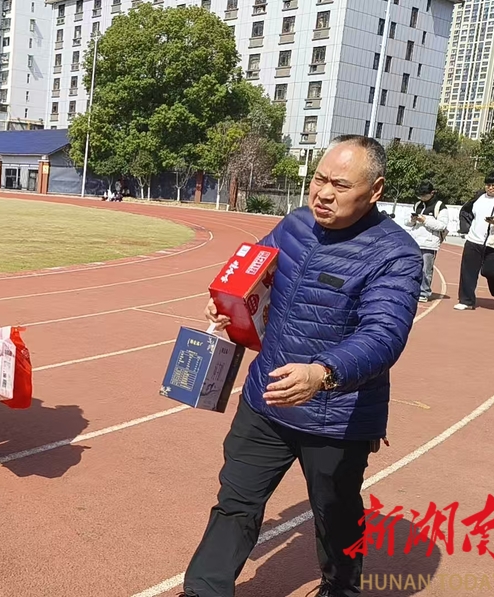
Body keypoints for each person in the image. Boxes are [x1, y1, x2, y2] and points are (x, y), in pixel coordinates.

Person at [178, 135, 423, 597]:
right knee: (235, 501)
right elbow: (254, 274)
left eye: (340, 185)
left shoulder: (395, 254)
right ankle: (203, 590)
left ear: (375, 190)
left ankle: (340, 587)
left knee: (336, 513)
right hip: (266, 399)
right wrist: (227, 303)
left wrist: (322, 373)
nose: (323, 193)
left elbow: (384, 335)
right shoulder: (293, 224)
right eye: (319, 179)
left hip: (336, 417)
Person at [454, 172, 494, 310]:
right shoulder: (479, 197)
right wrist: (465, 228)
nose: (490, 188)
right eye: (488, 185)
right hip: (474, 240)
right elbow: (466, 212)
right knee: (468, 271)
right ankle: (466, 300)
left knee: (491, 271)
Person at [399, 180, 449, 302]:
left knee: (426, 269)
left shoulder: (440, 207)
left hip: (429, 243)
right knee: (412, 267)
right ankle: (412, 289)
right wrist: (412, 220)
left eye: (424, 195)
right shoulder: (417, 205)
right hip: (415, 241)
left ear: (432, 193)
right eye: (420, 195)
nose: (422, 198)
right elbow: (407, 222)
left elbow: (442, 225)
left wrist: (425, 220)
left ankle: (424, 292)